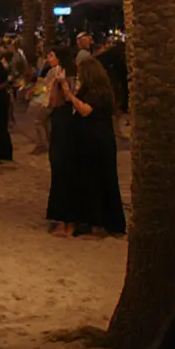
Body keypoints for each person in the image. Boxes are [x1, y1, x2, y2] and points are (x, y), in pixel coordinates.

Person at [56, 58, 127, 237]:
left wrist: (70, 95)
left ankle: (98, 226)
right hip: (89, 141)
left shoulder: (99, 92)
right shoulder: (93, 89)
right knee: (90, 181)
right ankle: (89, 222)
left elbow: (86, 110)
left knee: (97, 181)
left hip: (97, 142)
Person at [45, 47, 80, 237]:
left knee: (63, 170)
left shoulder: (65, 76)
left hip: (65, 122)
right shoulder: (57, 74)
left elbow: (51, 100)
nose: (48, 58)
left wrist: (56, 87)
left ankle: (67, 222)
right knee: (60, 170)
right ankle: (63, 219)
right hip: (61, 121)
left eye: (51, 54)